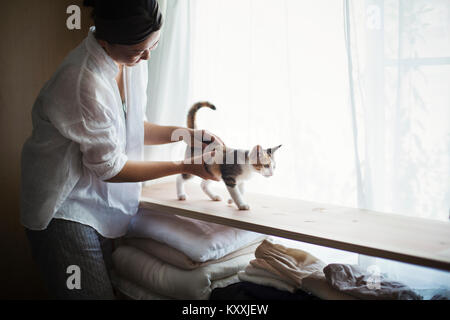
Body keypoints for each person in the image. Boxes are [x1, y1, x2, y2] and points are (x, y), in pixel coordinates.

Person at [20, 0, 223, 299]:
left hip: (97, 202)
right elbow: (111, 167)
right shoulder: (82, 81)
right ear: (104, 41)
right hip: (65, 208)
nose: (146, 56)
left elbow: (133, 128)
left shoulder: (130, 60)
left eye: (152, 45)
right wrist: (184, 167)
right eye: (138, 51)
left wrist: (186, 135)